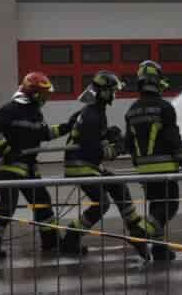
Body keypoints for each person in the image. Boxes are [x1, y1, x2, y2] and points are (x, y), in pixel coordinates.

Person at [59, 71, 156, 260]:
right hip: (81, 166)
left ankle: (135, 229)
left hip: (87, 165)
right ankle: (71, 239)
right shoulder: (92, 115)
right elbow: (94, 150)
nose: (115, 94)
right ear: (103, 92)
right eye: (113, 90)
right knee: (102, 203)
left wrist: (110, 134)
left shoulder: (94, 110)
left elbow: (94, 140)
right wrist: (118, 149)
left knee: (118, 185)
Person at [0, 71, 70, 260]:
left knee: (42, 204)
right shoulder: (11, 109)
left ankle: (51, 242)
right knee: (7, 206)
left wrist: (67, 127)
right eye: (43, 94)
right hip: (9, 168)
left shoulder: (35, 113)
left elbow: (44, 134)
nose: (46, 98)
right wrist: (5, 149)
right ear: (34, 93)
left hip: (29, 169)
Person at [124, 60, 182, 261]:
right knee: (170, 205)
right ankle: (139, 234)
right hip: (165, 168)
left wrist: (138, 163)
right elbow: (172, 136)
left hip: (144, 170)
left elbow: (129, 143)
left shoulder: (131, 110)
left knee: (155, 207)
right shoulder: (164, 107)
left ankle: (159, 249)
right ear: (157, 81)